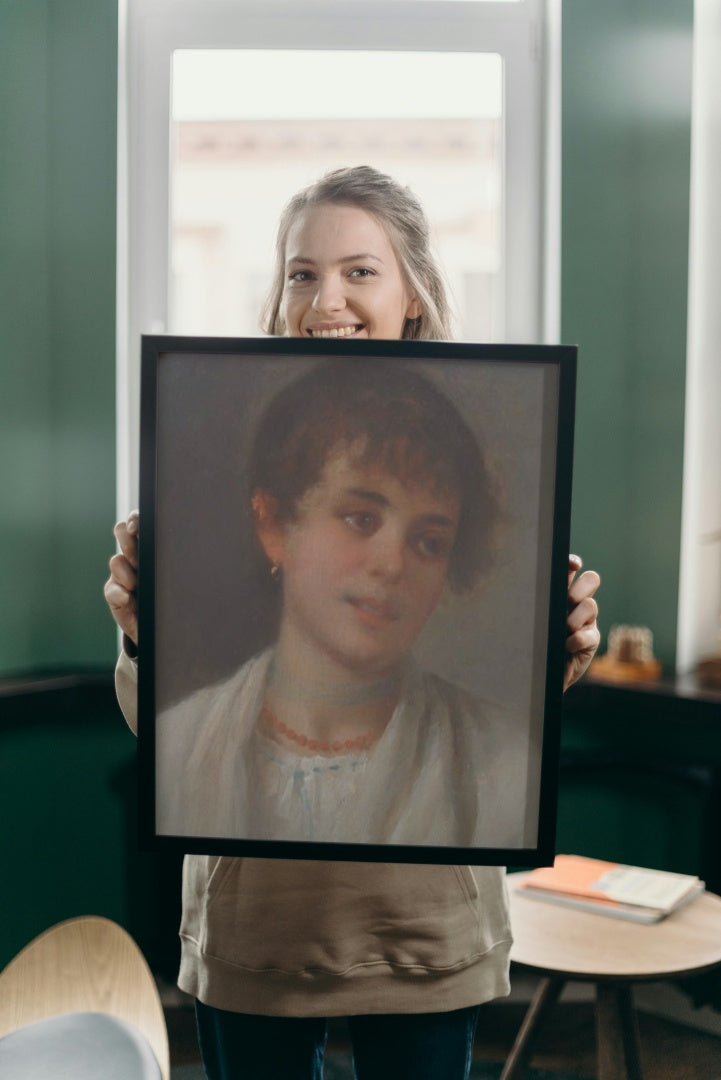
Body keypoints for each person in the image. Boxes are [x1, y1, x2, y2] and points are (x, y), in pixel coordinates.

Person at [105, 165, 601, 1080]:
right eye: (302, 272)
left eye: (360, 271)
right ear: (273, 520)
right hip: (257, 930)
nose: (326, 297)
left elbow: (515, 745)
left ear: (412, 292)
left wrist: (555, 655)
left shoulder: (480, 740)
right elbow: (163, 740)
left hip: (423, 932)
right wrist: (144, 635)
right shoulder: (202, 724)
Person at [154, 359, 532, 848]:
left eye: (429, 543)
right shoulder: (180, 745)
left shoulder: (500, 759)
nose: (392, 565)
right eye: (361, 519)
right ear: (273, 527)